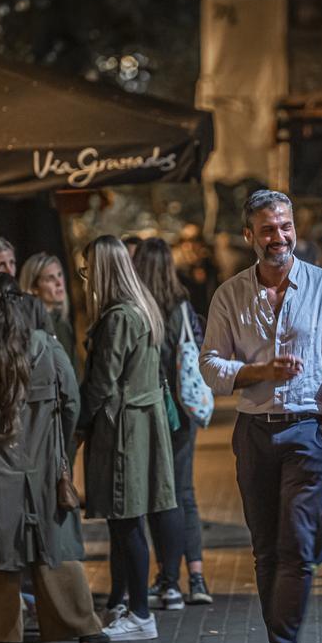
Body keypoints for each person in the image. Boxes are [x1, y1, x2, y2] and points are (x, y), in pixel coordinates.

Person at [201, 190, 322, 643]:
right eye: (268, 229)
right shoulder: (230, 294)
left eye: (286, 226)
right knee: (265, 547)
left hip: (307, 432)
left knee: (296, 544)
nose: (280, 237)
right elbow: (211, 365)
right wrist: (257, 372)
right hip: (253, 431)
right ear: (249, 236)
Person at [0, 273, 107, 643]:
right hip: (44, 463)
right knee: (55, 545)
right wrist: (60, 451)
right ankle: (80, 624)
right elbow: (71, 403)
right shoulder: (46, 347)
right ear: (21, 304)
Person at [77, 235, 177, 641]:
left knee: (127, 521)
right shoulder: (144, 308)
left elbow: (102, 382)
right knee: (128, 521)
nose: (84, 278)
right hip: (142, 424)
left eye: (86, 270)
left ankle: (139, 614)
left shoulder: (118, 317)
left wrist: (77, 428)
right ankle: (122, 603)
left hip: (123, 431)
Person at [133, 237, 212, 609]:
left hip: (154, 411)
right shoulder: (182, 305)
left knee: (159, 496)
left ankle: (166, 578)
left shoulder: (139, 309)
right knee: (184, 492)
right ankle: (194, 576)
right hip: (184, 409)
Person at [19, 253, 76, 366]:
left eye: (59, 275)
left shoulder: (63, 324)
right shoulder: (28, 329)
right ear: (34, 288)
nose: (59, 283)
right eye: (50, 278)